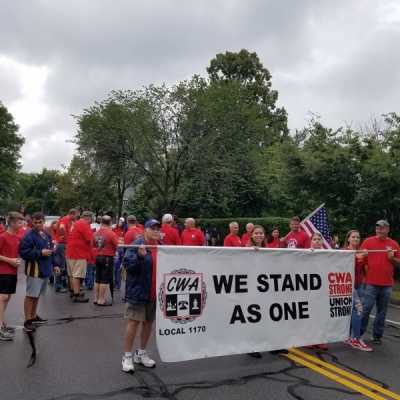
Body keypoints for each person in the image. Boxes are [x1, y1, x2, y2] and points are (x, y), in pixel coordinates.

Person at [122, 219, 164, 372]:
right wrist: (139, 258)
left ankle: (141, 352)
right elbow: (129, 267)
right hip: (138, 291)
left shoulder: (163, 247)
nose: (156, 231)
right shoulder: (136, 245)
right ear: (144, 230)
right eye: (152, 228)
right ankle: (127, 356)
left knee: (148, 323)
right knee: (133, 322)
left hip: (155, 293)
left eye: (158, 228)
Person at [245, 225, 288, 356]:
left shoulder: (267, 249)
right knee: (254, 319)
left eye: (261, 233)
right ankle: (252, 347)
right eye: (256, 233)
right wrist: (250, 252)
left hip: (267, 287)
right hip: (253, 288)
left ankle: (274, 344)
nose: (259, 235)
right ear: (251, 235)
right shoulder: (246, 249)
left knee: (271, 317)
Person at [360, 220, 400, 345]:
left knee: (382, 311)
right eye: (377, 228)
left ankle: (377, 334)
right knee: (366, 308)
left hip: (387, 284)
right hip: (371, 282)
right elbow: (359, 257)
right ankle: (358, 333)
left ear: (387, 229)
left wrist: (392, 257)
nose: (378, 230)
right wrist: (363, 255)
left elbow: (398, 263)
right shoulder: (368, 241)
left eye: (381, 228)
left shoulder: (393, 244)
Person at [19, 212, 61, 332]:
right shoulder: (29, 236)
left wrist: (56, 264)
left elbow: (51, 251)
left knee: (36, 294)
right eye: (35, 222)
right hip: (34, 270)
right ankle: (27, 320)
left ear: (44, 221)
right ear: (32, 222)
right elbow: (23, 253)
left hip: (45, 269)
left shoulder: (47, 234)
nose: (38, 224)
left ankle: (33, 316)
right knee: (31, 294)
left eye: (40, 222)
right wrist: (39, 253)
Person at [342, 230, 372, 351]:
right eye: (353, 237)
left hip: (359, 284)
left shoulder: (361, 252)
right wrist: (356, 257)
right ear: (348, 238)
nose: (356, 239)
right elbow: (343, 267)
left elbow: (365, 267)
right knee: (358, 311)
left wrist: (365, 279)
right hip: (350, 284)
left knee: (353, 311)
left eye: (358, 237)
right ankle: (356, 338)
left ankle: (348, 336)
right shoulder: (345, 252)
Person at [0, 212, 24, 340]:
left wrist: (17, 260)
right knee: (3, 297)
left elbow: (16, 254)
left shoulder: (18, 238)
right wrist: (9, 260)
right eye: (20, 223)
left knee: (7, 297)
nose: (22, 225)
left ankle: (1, 322)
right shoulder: (2, 237)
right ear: (12, 223)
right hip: (3, 271)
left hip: (12, 272)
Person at [304, 233, 328, 350]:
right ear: (311, 241)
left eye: (319, 239)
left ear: (322, 242)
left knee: (321, 314)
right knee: (309, 314)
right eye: (315, 239)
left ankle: (319, 339)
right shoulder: (306, 253)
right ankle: (308, 339)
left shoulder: (328, 254)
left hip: (323, 288)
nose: (317, 241)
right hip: (309, 288)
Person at [65, 211, 93, 303]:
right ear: (88, 218)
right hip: (78, 252)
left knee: (72, 274)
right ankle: (77, 295)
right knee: (77, 274)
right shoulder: (84, 224)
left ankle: (73, 291)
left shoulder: (76, 223)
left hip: (71, 250)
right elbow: (89, 238)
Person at [93, 216, 120, 306]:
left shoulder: (96, 233)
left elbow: (93, 245)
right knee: (104, 280)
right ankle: (101, 300)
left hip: (98, 256)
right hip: (107, 257)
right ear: (110, 223)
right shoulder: (111, 234)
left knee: (97, 279)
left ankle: (96, 298)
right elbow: (117, 245)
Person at [54, 209, 79, 293]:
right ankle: (58, 286)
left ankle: (66, 284)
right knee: (61, 266)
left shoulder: (67, 220)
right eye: (75, 216)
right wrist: (65, 236)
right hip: (62, 245)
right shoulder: (64, 220)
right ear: (71, 214)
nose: (76, 218)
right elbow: (61, 227)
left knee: (65, 266)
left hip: (64, 245)